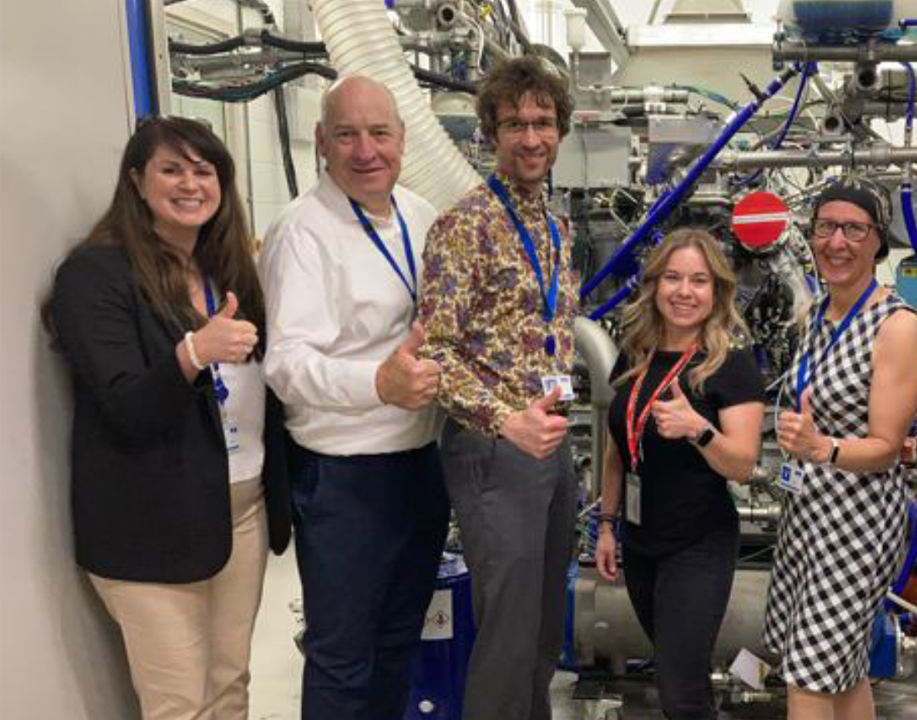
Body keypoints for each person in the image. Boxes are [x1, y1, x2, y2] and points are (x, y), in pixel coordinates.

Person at [43, 116, 291, 720]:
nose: (190, 184)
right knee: (180, 705)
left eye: (203, 171)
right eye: (171, 169)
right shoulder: (95, 276)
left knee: (230, 684)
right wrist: (193, 352)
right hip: (148, 526)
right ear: (136, 180)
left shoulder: (224, 272)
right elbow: (127, 406)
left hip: (240, 512)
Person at [258, 76, 449, 720]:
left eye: (379, 133)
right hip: (344, 484)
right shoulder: (302, 233)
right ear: (320, 143)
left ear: (402, 138)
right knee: (342, 659)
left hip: (419, 468)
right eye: (347, 134)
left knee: (398, 643)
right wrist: (377, 383)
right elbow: (285, 366)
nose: (365, 150)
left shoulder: (419, 215)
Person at [416, 56, 576, 720]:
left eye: (543, 123)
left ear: (561, 131)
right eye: (516, 124)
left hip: (553, 443)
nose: (531, 138)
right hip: (495, 451)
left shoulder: (555, 224)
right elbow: (433, 356)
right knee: (508, 636)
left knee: (543, 627)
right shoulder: (465, 227)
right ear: (490, 133)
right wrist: (507, 421)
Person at [762, 179, 917, 720]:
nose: (837, 241)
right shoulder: (815, 317)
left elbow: (885, 448)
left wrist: (820, 447)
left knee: (808, 677)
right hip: (807, 515)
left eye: (854, 229)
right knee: (842, 672)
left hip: (855, 526)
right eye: (826, 227)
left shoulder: (897, 326)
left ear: (878, 242)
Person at [593, 228, 766, 720]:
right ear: (654, 285)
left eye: (698, 280)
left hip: (698, 544)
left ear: (717, 292)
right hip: (641, 542)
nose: (684, 292)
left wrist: (699, 430)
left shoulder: (730, 368)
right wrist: (606, 525)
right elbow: (616, 448)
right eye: (672, 278)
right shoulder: (635, 355)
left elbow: (743, 463)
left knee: (680, 692)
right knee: (675, 675)